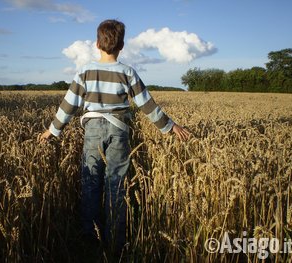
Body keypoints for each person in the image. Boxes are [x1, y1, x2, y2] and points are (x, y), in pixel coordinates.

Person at [39, 19, 190, 254]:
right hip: (118, 130)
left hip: (92, 132)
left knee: (90, 181)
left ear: (97, 44)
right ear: (122, 45)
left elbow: (68, 104)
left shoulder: (85, 71)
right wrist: (169, 126)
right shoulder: (127, 72)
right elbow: (146, 104)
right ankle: (115, 241)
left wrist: (53, 129)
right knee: (116, 184)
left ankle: (89, 235)